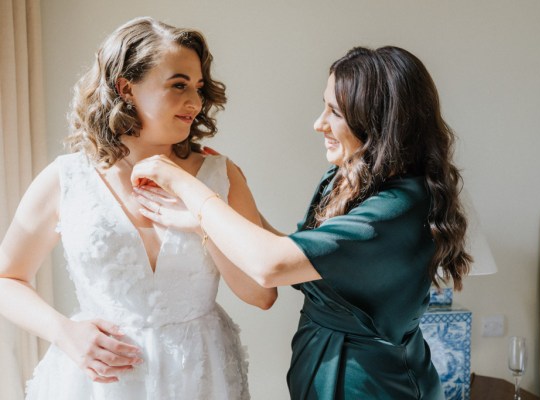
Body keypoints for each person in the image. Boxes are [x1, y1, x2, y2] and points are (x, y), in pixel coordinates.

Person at [131, 46, 472, 399]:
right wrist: (215, 212)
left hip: (374, 386)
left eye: (334, 112)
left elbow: (272, 265)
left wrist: (188, 186)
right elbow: (297, 257)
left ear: (378, 121)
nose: (318, 123)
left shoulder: (397, 208)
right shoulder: (344, 179)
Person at [0, 17, 276, 400]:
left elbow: (261, 294)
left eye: (198, 87)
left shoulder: (220, 175)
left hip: (200, 376)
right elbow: (6, 278)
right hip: (96, 382)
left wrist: (201, 220)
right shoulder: (64, 179)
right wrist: (64, 331)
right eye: (178, 85)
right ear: (126, 88)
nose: (195, 103)